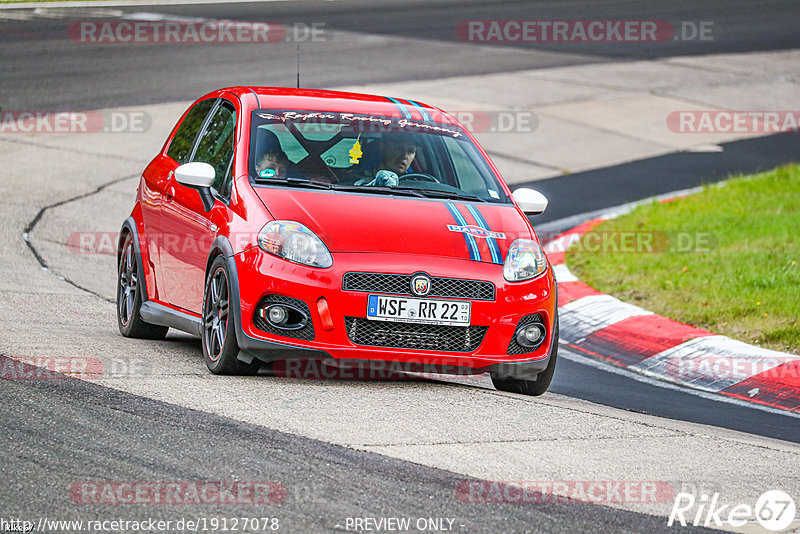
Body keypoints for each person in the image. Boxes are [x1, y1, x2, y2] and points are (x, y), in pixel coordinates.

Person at [351, 132, 418, 187]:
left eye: (411, 151)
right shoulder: (358, 179)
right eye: (399, 148)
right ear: (383, 147)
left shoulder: (417, 185)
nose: (405, 156)